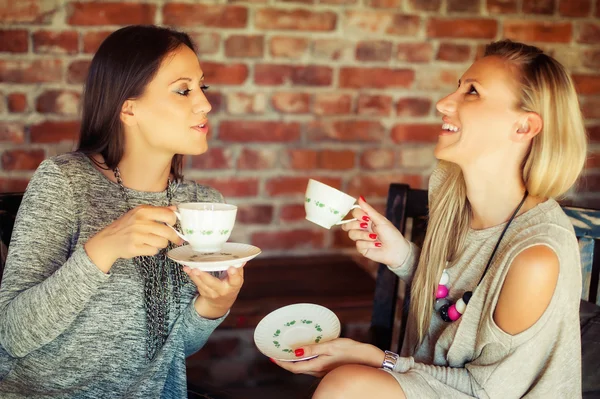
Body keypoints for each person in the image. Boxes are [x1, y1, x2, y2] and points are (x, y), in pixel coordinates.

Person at [272, 39, 588, 398]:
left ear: (523, 127)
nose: (444, 103)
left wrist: (380, 361)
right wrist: (403, 256)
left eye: (472, 92)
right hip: (431, 383)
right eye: (458, 86)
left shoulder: (535, 257)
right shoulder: (451, 191)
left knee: (347, 385)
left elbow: (486, 391)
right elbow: (458, 301)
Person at [0, 25, 244, 398]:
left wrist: (214, 305)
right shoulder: (66, 181)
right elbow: (13, 335)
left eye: (202, 87)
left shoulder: (202, 205)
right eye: (184, 90)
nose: (204, 104)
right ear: (129, 109)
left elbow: (173, 350)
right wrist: (103, 249)